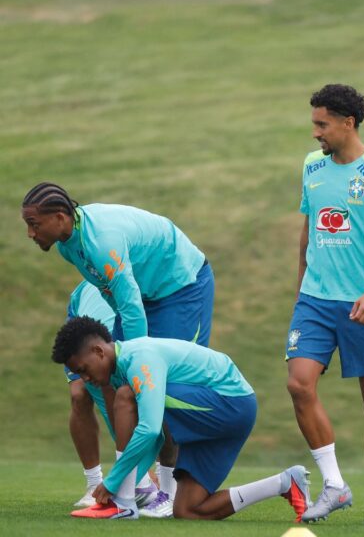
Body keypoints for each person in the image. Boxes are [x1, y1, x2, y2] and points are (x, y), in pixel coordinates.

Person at [22, 182, 217, 514]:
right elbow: (117, 296)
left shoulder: (101, 243)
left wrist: (136, 361)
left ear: (59, 217)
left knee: (157, 385)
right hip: (146, 295)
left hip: (181, 286)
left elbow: (130, 306)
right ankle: (131, 491)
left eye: (34, 224)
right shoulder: (67, 245)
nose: (30, 233)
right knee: (114, 380)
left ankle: (166, 493)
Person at [285, 84, 364, 527]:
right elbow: (307, 233)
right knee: (299, 384)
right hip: (315, 302)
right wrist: (301, 291)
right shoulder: (312, 166)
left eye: (322, 124)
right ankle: (335, 485)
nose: (315, 133)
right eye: (314, 124)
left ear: (348, 123)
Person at [52, 316, 311, 521]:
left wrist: (115, 484)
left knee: (126, 394)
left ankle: (123, 504)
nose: (84, 380)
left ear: (98, 351)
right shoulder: (121, 369)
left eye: (83, 370)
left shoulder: (138, 360)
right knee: (188, 510)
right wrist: (121, 483)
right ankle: (285, 483)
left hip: (230, 403)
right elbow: (155, 437)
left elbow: (152, 429)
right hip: (227, 416)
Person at [64, 281, 162, 514]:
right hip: (80, 313)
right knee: (79, 394)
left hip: (115, 330)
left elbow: (125, 406)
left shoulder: (127, 339)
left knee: (127, 395)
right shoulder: (94, 346)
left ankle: (152, 478)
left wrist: (133, 469)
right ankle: (93, 483)